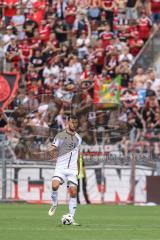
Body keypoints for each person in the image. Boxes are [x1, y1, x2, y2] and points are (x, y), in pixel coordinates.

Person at [48, 115, 82, 225]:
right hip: (61, 168)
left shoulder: (79, 138)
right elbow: (52, 147)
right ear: (68, 123)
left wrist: (79, 170)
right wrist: (52, 152)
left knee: (73, 192)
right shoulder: (61, 135)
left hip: (72, 170)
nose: (75, 125)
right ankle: (54, 203)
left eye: (76, 123)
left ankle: (71, 218)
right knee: (55, 186)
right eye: (73, 122)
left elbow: (78, 154)